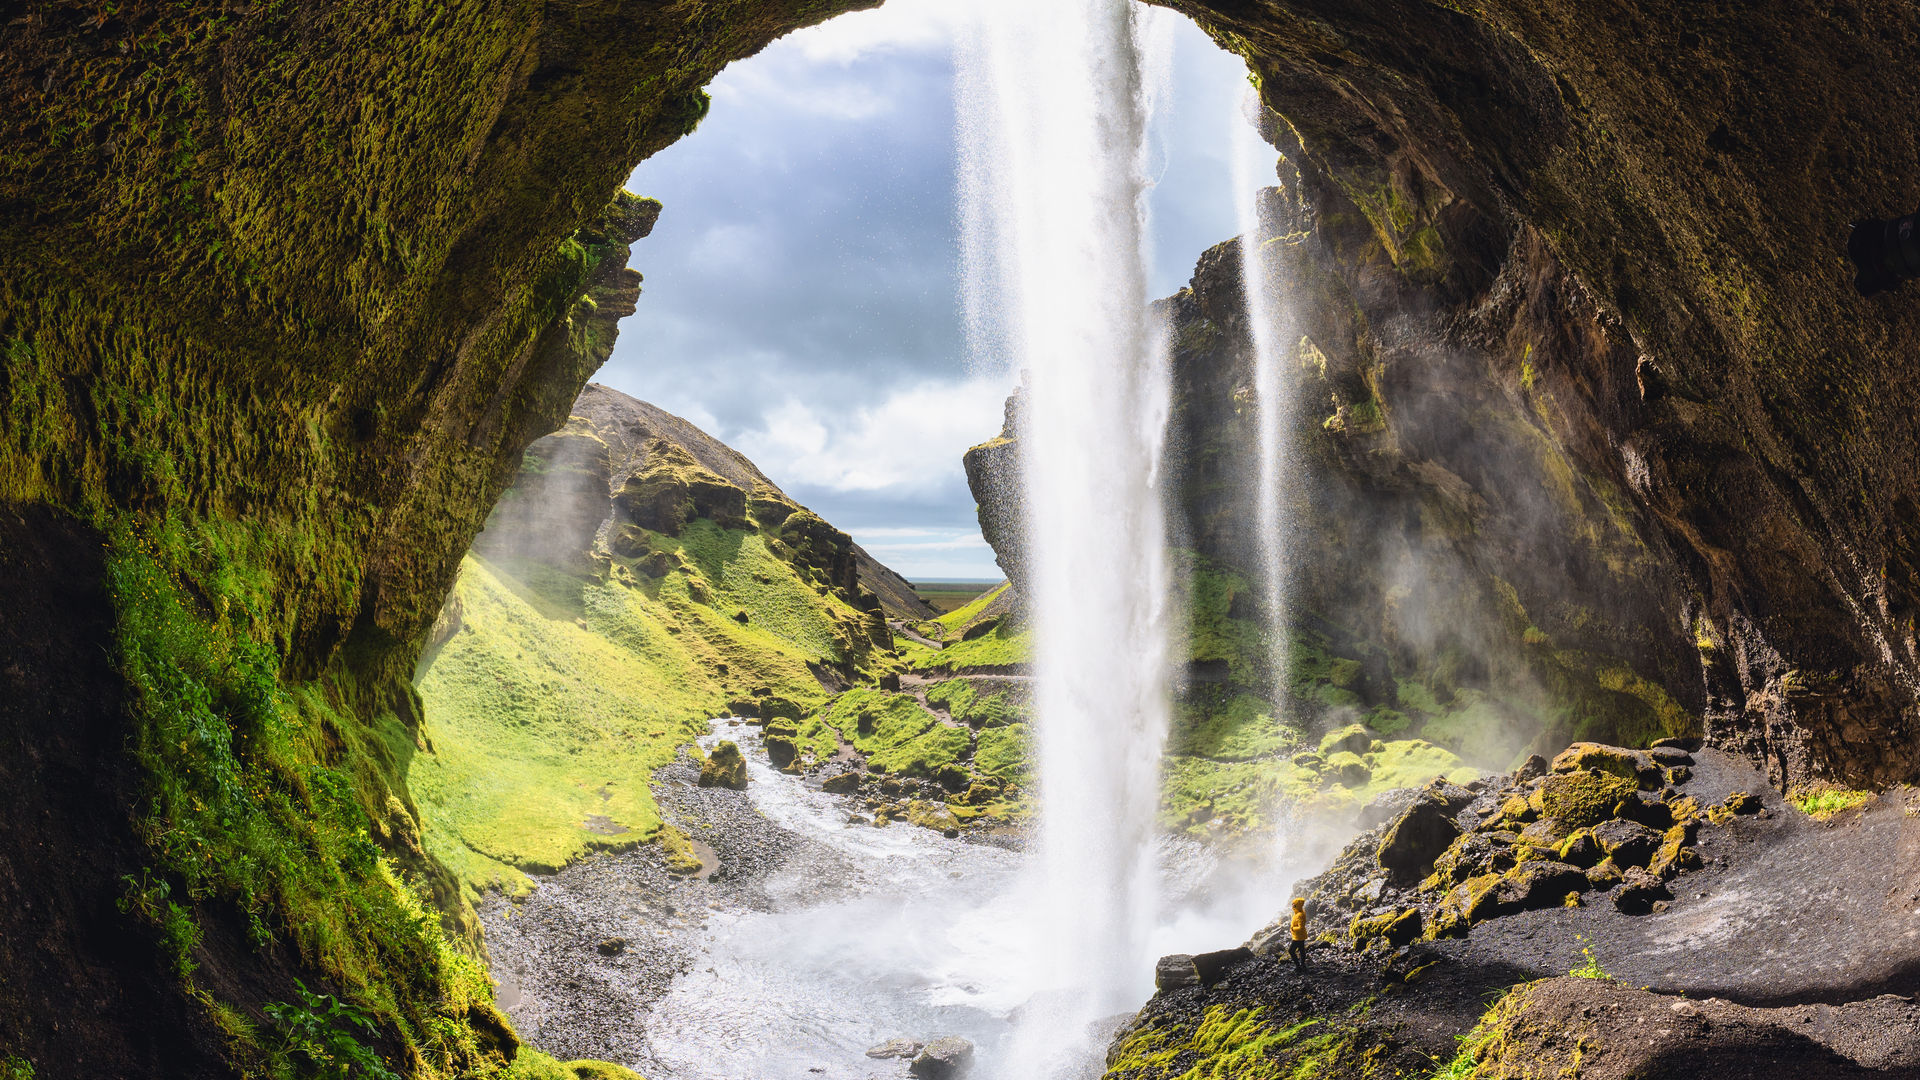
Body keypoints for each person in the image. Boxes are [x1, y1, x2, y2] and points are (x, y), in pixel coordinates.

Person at [1287, 897, 1309, 972]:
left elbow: (1301, 927)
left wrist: (1293, 929)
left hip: (1298, 937)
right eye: (1292, 904)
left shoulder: (1300, 915)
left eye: (1294, 904)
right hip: (1298, 936)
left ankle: (1298, 966)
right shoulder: (1298, 913)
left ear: (1297, 906)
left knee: (1291, 951)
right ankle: (1302, 965)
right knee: (1301, 950)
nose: (1292, 905)